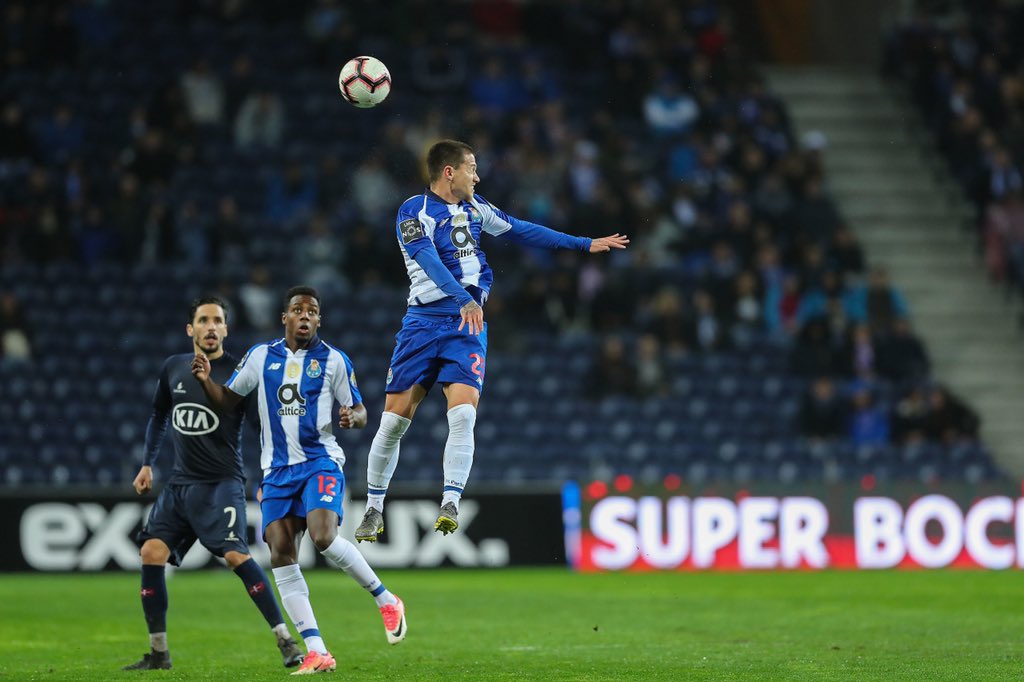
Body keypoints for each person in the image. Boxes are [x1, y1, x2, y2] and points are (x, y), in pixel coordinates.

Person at [354, 139, 628, 542]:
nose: (477, 176)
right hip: (424, 323)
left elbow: (522, 229)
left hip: (467, 325)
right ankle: (374, 509)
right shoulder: (413, 212)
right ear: (450, 172)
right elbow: (427, 259)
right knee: (394, 422)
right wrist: (463, 297)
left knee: (463, 415)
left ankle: (450, 500)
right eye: (471, 168)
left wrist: (583, 243)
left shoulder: (476, 208)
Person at [192, 286, 406, 676]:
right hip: (276, 472)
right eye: (297, 310)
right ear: (285, 318)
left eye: (312, 311)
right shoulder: (260, 356)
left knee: (323, 538)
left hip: (319, 462)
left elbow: (359, 410)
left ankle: (386, 599)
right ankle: (317, 649)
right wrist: (207, 382)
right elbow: (227, 400)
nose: (305, 315)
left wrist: (351, 419)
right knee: (280, 553)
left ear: (319, 320)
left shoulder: (334, 360)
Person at [124, 297, 303, 671]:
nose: (210, 326)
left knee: (237, 556)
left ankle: (285, 640)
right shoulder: (173, 368)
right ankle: (159, 653)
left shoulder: (240, 373)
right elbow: (159, 415)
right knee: (151, 553)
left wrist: (272, 475)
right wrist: (147, 464)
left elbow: (264, 429)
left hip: (222, 483)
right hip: (179, 485)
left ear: (225, 329)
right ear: (191, 329)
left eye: (217, 320)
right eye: (202, 320)